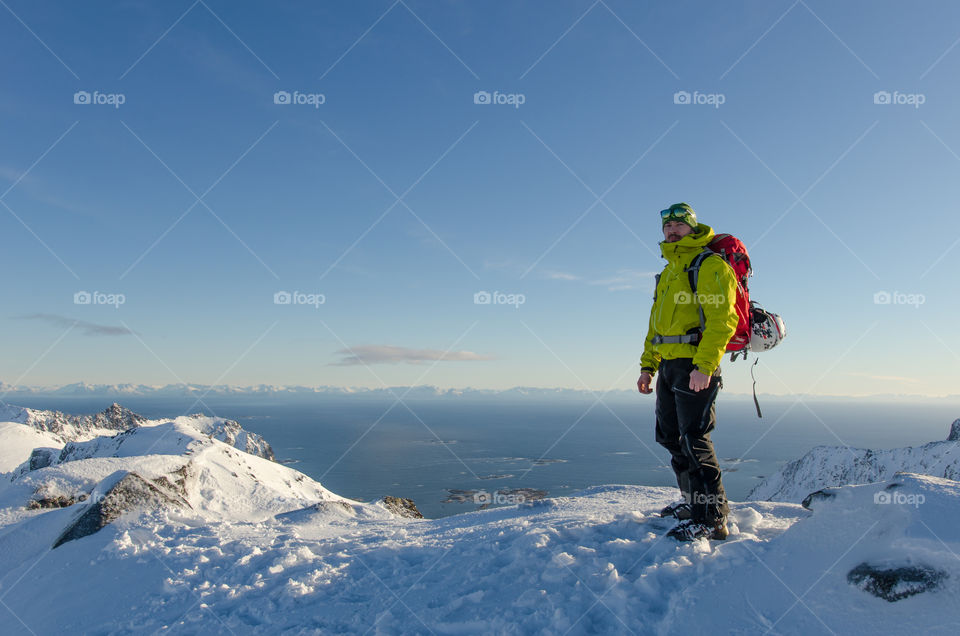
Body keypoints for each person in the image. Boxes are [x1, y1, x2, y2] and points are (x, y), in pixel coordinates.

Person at [637, 203, 739, 541]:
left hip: (695, 364)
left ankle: (712, 518)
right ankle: (692, 503)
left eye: (679, 224)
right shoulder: (668, 272)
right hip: (668, 364)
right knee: (669, 436)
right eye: (667, 226)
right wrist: (648, 367)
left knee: (695, 438)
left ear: (692, 228)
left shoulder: (708, 265)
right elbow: (656, 326)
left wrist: (705, 366)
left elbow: (724, 321)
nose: (672, 230)